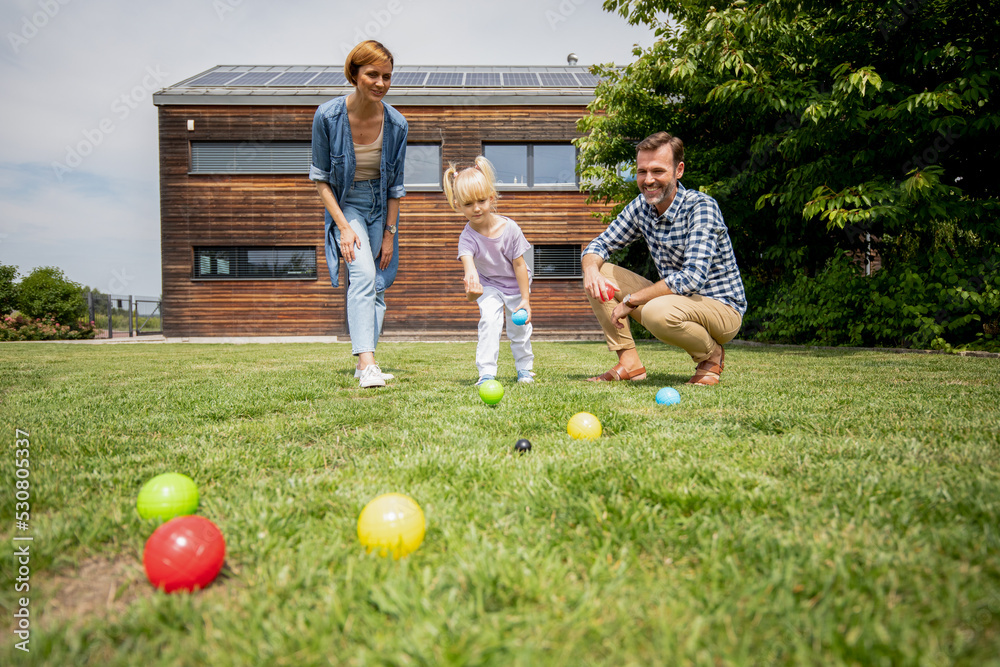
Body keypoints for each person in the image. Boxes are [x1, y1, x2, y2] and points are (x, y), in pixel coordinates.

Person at [581, 131, 746, 386]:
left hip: (721, 308)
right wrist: (590, 271)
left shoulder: (701, 207)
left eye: (657, 171)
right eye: (642, 171)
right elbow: (599, 244)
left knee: (656, 312)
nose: (648, 180)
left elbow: (692, 278)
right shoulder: (641, 206)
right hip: (675, 299)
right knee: (598, 272)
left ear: (678, 170)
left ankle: (712, 355)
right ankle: (629, 363)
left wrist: (631, 301)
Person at [310, 40, 408, 388]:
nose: (380, 83)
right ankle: (367, 365)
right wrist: (344, 228)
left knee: (379, 284)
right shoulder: (328, 116)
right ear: (354, 74)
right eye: (372, 74)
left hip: (380, 206)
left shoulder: (397, 124)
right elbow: (321, 180)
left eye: (387, 76)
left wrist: (389, 235)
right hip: (346, 203)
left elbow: (395, 185)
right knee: (363, 274)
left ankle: (366, 363)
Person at [444, 157, 535, 385]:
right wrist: (472, 289)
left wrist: (525, 299)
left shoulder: (510, 228)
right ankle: (486, 374)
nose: (476, 208)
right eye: (468, 204)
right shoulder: (466, 238)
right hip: (490, 286)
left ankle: (525, 370)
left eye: (481, 201)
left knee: (519, 329)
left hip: (515, 284)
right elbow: (470, 270)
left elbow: (519, 265)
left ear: (491, 197)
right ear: (457, 205)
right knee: (489, 323)